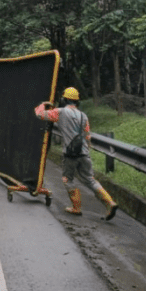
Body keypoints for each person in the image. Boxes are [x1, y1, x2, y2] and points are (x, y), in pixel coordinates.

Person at [34, 87, 118, 220]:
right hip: (84, 153)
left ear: (64, 99)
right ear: (76, 101)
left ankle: (76, 207)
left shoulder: (60, 112)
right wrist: (86, 151)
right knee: (90, 180)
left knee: (68, 179)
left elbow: (40, 115)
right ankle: (110, 202)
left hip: (70, 154)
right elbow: (88, 136)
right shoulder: (83, 116)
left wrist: (42, 105)